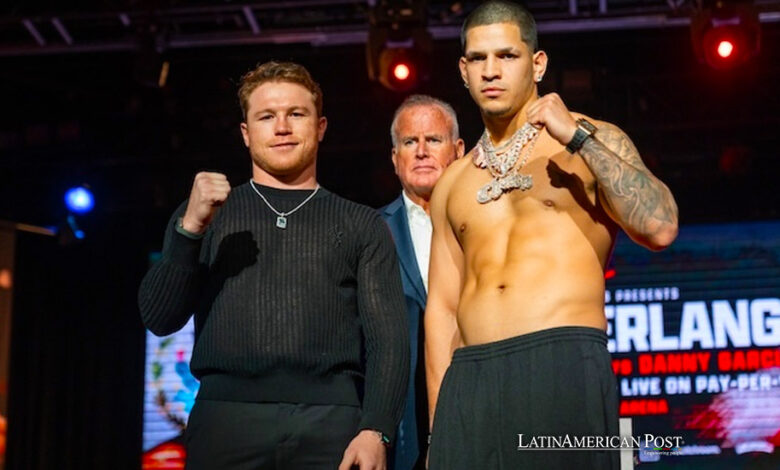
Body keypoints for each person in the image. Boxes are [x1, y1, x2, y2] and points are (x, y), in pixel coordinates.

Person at [424, 2, 679, 469]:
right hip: (472, 380)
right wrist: (441, 427)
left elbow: (660, 227)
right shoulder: (453, 182)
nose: (491, 71)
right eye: (478, 59)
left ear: (537, 63)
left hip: (561, 364)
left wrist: (576, 137)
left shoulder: (592, 140)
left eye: (507, 55)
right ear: (463, 70)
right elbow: (441, 310)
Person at [138, 61, 409, 470]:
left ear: (320, 127)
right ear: (246, 134)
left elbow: (388, 340)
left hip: (332, 425)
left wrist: (377, 429)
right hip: (225, 423)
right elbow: (159, 317)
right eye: (266, 116)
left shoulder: (361, 224)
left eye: (296, 114)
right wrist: (189, 228)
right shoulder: (208, 215)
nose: (282, 127)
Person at [379, 95, 464, 470]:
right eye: (410, 142)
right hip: (403, 428)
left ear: (458, 150)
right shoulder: (370, 233)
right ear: (395, 157)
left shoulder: (489, 227)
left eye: (434, 139)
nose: (422, 151)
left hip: (481, 403)